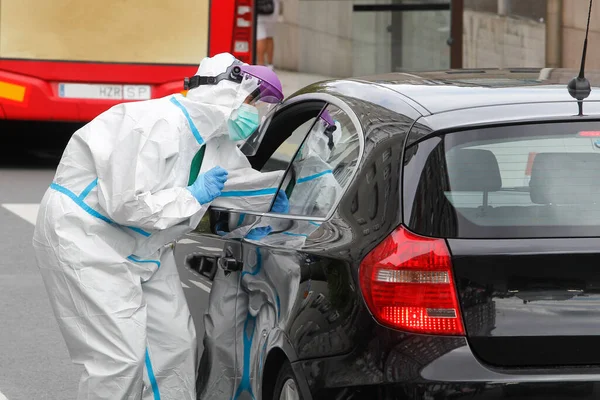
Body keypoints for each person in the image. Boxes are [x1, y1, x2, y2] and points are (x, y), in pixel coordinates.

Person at [32, 52, 285, 400]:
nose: (254, 114)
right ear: (224, 89)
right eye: (252, 101)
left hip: (146, 247)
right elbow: (126, 205)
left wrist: (285, 198)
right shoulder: (151, 123)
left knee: (175, 344)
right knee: (118, 358)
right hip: (87, 239)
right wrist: (192, 195)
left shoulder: (217, 146)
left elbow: (246, 187)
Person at [256, 0, 280, 68]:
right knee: (269, 35)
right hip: (273, 8)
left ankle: (260, 64)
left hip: (259, 8)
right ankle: (270, 64)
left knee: (260, 36)